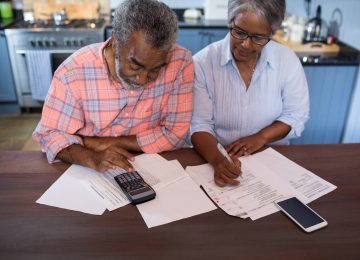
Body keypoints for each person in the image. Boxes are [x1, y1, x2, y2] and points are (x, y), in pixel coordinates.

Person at [33, 0, 194, 173]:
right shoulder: (73, 72)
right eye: (135, 65)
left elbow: (175, 133)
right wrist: (91, 157)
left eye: (155, 69)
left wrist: (102, 142)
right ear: (115, 41)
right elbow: (50, 135)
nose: (141, 80)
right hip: (88, 166)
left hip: (152, 164)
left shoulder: (179, 62)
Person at [189, 0, 309, 187]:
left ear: (271, 33)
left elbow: (296, 115)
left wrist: (261, 137)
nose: (245, 44)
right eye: (239, 32)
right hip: (220, 157)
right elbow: (199, 124)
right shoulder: (203, 63)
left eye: (258, 38)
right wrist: (217, 159)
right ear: (231, 22)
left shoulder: (286, 60)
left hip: (272, 160)